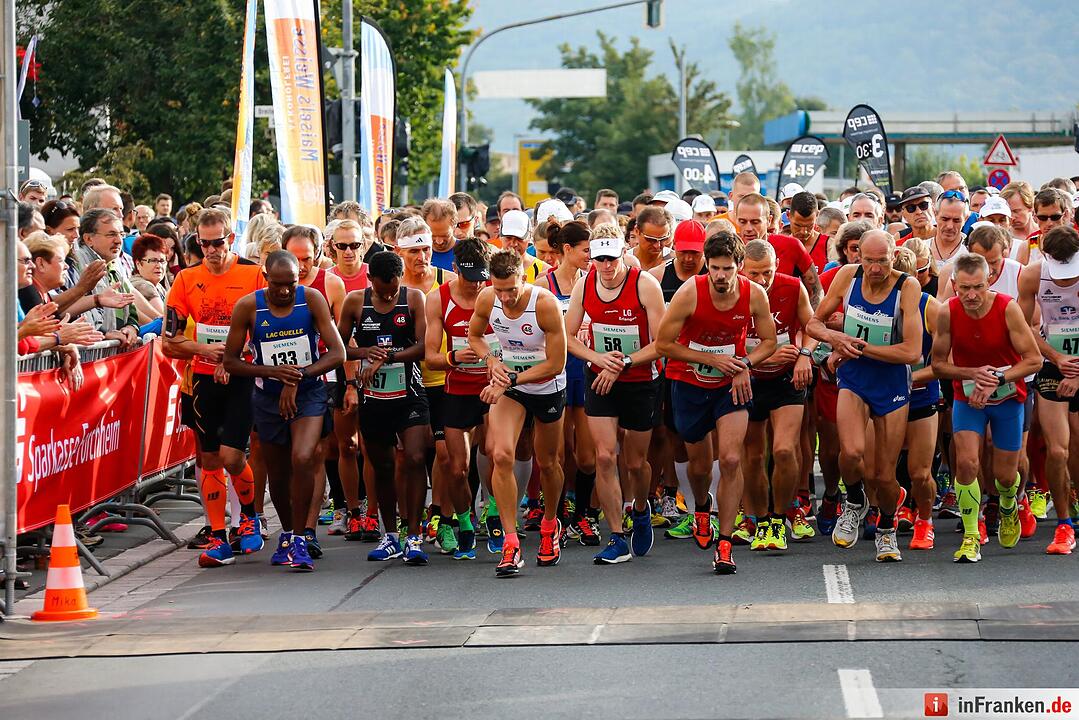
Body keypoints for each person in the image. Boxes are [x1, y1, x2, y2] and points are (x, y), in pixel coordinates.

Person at [656, 230, 777, 574]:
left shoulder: (754, 295)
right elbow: (664, 344)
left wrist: (745, 366)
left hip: (731, 385)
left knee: (731, 458)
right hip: (689, 383)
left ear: (739, 266)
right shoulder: (689, 293)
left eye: (727, 268)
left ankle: (724, 544)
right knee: (698, 466)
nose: (721, 276)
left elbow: (768, 341)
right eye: (715, 269)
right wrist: (708, 359)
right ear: (706, 266)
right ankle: (701, 506)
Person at [222, 251, 345, 571]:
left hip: (308, 393)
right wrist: (273, 373)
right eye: (278, 285)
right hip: (268, 398)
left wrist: (299, 375)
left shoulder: (313, 299)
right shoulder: (248, 307)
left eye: (291, 284)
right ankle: (288, 534)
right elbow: (231, 362)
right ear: (266, 280)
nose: (286, 291)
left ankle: (303, 535)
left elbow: (338, 353)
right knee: (277, 472)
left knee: (303, 457)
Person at [807, 229, 923, 563]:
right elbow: (814, 324)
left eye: (881, 261)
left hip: (890, 383)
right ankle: (855, 501)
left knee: (883, 475)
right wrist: (834, 337)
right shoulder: (847, 276)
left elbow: (912, 351)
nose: (874, 268)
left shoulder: (907, 287)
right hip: (855, 377)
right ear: (858, 256)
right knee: (851, 451)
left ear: (894, 254)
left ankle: (886, 526)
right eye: (868, 260)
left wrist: (859, 346)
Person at [164, 208, 266, 568]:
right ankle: (219, 535)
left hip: (242, 376)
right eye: (203, 243)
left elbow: (266, 328)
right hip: (203, 380)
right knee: (208, 458)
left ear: (230, 240)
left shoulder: (253, 274)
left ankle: (251, 517)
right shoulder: (185, 279)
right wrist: (204, 350)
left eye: (217, 242)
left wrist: (232, 358)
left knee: (233, 457)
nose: (211, 250)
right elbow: (169, 341)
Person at [564, 223, 665, 564]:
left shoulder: (645, 286)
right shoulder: (584, 285)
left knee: (636, 463)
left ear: (624, 253)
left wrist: (623, 363)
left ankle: (640, 507)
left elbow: (662, 344)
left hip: (639, 379)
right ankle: (618, 536)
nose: (606, 267)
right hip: (601, 378)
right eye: (599, 259)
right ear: (591, 258)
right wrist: (598, 360)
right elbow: (567, 337)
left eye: (611, 258)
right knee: (605, 456)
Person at [932, 253, 1041, 563]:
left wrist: (997, 377)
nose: (971, 295)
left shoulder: (1008, 308)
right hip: (968, 399)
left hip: (1007, 398)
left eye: (978, 287)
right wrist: (972, 374)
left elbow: (1033, 360)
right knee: (966, 463)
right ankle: (970, 534)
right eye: (964, 288)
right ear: (953, 285)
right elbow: (938, 365)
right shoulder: (947, 312)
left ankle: (1008, 504)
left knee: (1004, 476)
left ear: (990, 281)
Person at [467, 249, 568, 577]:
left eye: (512, 290)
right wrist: (491, 361)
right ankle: (511, 541)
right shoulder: (487, 299)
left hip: (546, 385)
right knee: (502, 455)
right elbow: (475, 335)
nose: (507, 298)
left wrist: (511, 376)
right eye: (500, 290)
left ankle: (551, 524)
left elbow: (556, 364)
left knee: (549, 462)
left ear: (524, 280)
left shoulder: (544, 303)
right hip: (510, 384)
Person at [338, 251, 431, 565]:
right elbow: (338, 347)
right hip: (374, 398)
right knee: (383, 467)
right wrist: (366, 351)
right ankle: (390, 534)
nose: (388, 295)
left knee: (417, 457)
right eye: (381, 291)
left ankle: (414, 535)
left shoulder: (414, 299)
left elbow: (422, 346)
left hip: (410, 393)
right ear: (370, 281)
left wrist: (388, 357)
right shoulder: (355, 302)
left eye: (393, 289)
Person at [739, 240, 817, 552]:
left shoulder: (793, 286)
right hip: (748, 379)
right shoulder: (733, 291)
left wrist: (804, 356)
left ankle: (777, 516)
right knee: (754, 455)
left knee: (785, 449)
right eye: (755, 274)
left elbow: (812, 325)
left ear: (777, 268)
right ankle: (758, 518)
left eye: (767, 273)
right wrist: (754, 361)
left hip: (785, 379)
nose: (761, 281)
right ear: (743, 270)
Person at [424, 237, 493, 561]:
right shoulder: (438, 299)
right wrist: (453, 356)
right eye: (470, 277)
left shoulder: (497, 294)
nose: (477, 284)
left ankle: (494, 513)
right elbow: (428, 357)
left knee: (497, 453)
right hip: (457, 389)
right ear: (454, 270)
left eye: (482, 276)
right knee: (456, 468)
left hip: (495, 388)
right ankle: (464, 522)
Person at [1019, 225, 1079, 554]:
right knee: (1058, 450)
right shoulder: (1032, 275)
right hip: (1054, 365)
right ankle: (1064, 524)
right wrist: (1056, 356)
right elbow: (1023, 328)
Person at [542, 220, 599, 546]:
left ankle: (584, 515)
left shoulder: (593, 282)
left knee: (588, 456)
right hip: (557, 373)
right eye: (586, 251)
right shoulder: (543, 284)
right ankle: (560, 517)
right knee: (559, 454)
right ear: (567, 250)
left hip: (587, 372)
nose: (592, 257)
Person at [733, 192, 822, 304]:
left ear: (769, 220)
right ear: (736, 219)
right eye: (743, 221)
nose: (748, 228)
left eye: (755, 222)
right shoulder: (728, 250)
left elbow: (816, 291)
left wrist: (813, 319)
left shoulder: (791, 246)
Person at [73, 208, 141, 345]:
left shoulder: (115, 266)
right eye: (111, 234)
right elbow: (69, 313)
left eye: (121, 234)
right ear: (88, 239)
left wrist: (131, 328)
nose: (118, 241)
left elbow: (132, 312)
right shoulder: (77, 266)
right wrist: (103, 336)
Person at [498, 210, 550, 282]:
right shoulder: (488, 267)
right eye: (508, 238)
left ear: (530, 236)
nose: (513, 244)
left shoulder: (544, 271)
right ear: (500, 236)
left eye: (519, 238)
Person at [129, 234, 169, 324]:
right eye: (153, 261)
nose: (159, 266)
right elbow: (167, 321)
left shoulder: (158, 286)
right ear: (138, 264)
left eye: (162, 261)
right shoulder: (143, 286)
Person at [631, 206, 673, 272]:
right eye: (651, 239)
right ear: (637, 231)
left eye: (663, 239)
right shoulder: (623, 262)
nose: (657, 245)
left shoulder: (675, 262)